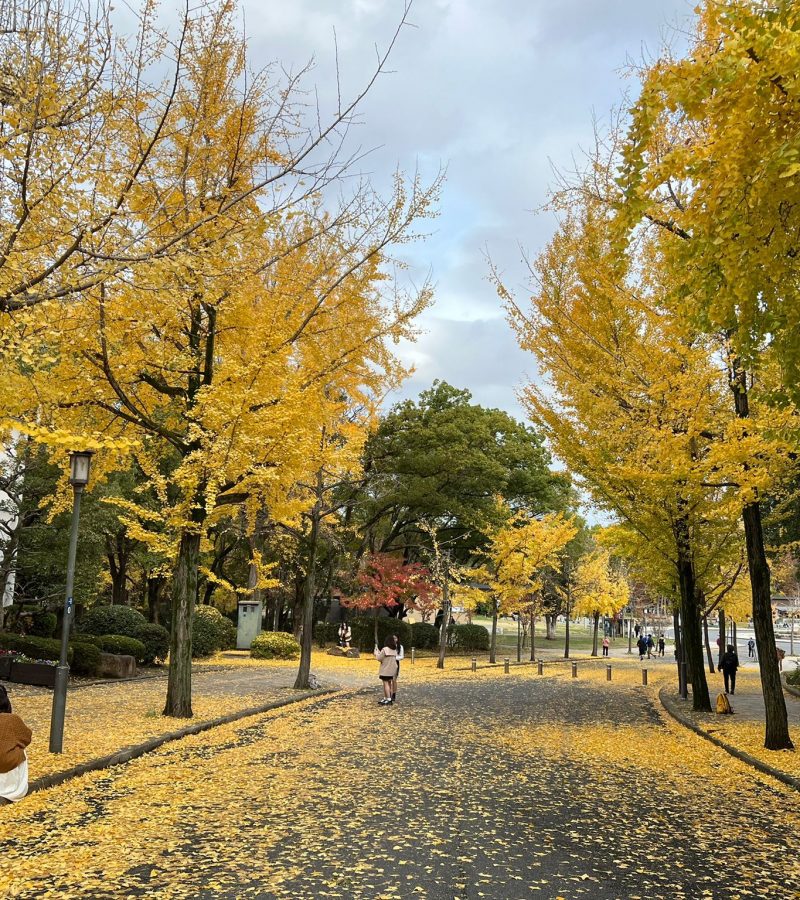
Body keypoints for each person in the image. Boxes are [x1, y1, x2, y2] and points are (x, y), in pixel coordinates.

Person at [0, 685, 32, 804]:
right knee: (21, 749)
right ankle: (15, 789)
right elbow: (27, 738)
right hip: (9, 785)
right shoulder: (12, 720)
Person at [374, 635, 399, 705]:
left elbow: (379, 658)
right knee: (389, 683)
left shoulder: (385, 649)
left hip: (385, 669)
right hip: (392, 669)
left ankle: (388, 699)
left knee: (385, 683)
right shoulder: (394, 650)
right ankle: (386, 698)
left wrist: (376, 654)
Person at [392, 634, 405, 702]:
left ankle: (393, 694)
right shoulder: (389, 646)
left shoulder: (400, 647)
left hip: (395, 663)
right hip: (389, 664)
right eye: (393, 638)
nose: (394, 640)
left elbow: (402, 656)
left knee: (394, 679)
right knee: (388, 680)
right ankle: (388, 694)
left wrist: (394, 658)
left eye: (395, 638)